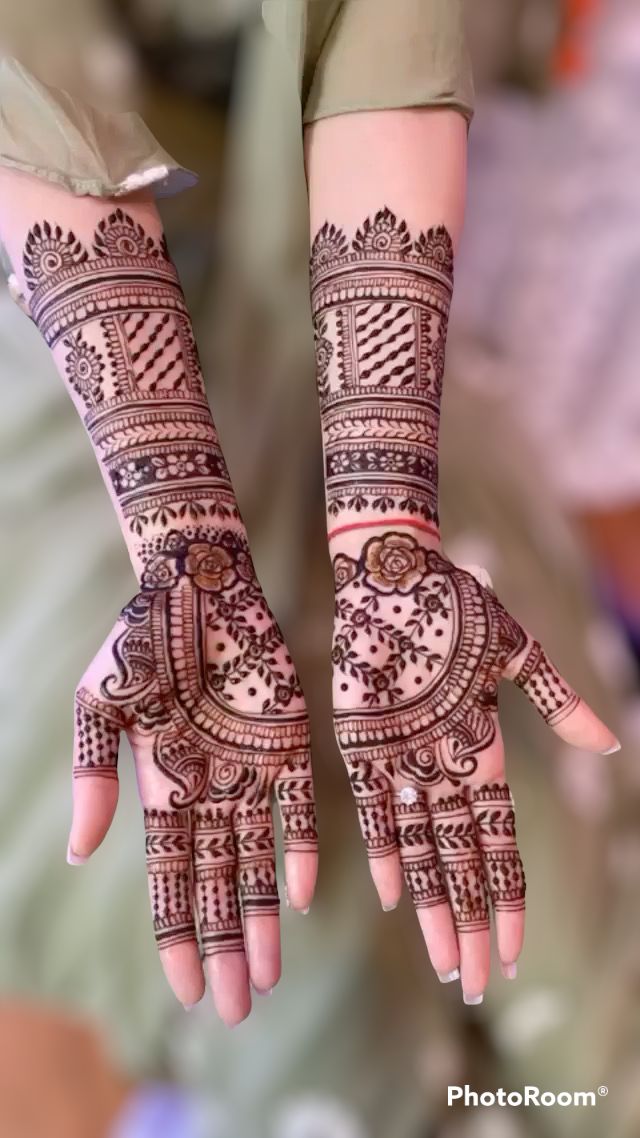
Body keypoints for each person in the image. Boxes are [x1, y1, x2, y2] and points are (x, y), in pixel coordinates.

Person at [0, 0, 618, 1031]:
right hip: (38, 244)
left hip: (324, 147)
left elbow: (383, 34)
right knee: (260, 939)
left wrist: (384, 528)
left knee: (538, 861)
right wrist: (185, 541)